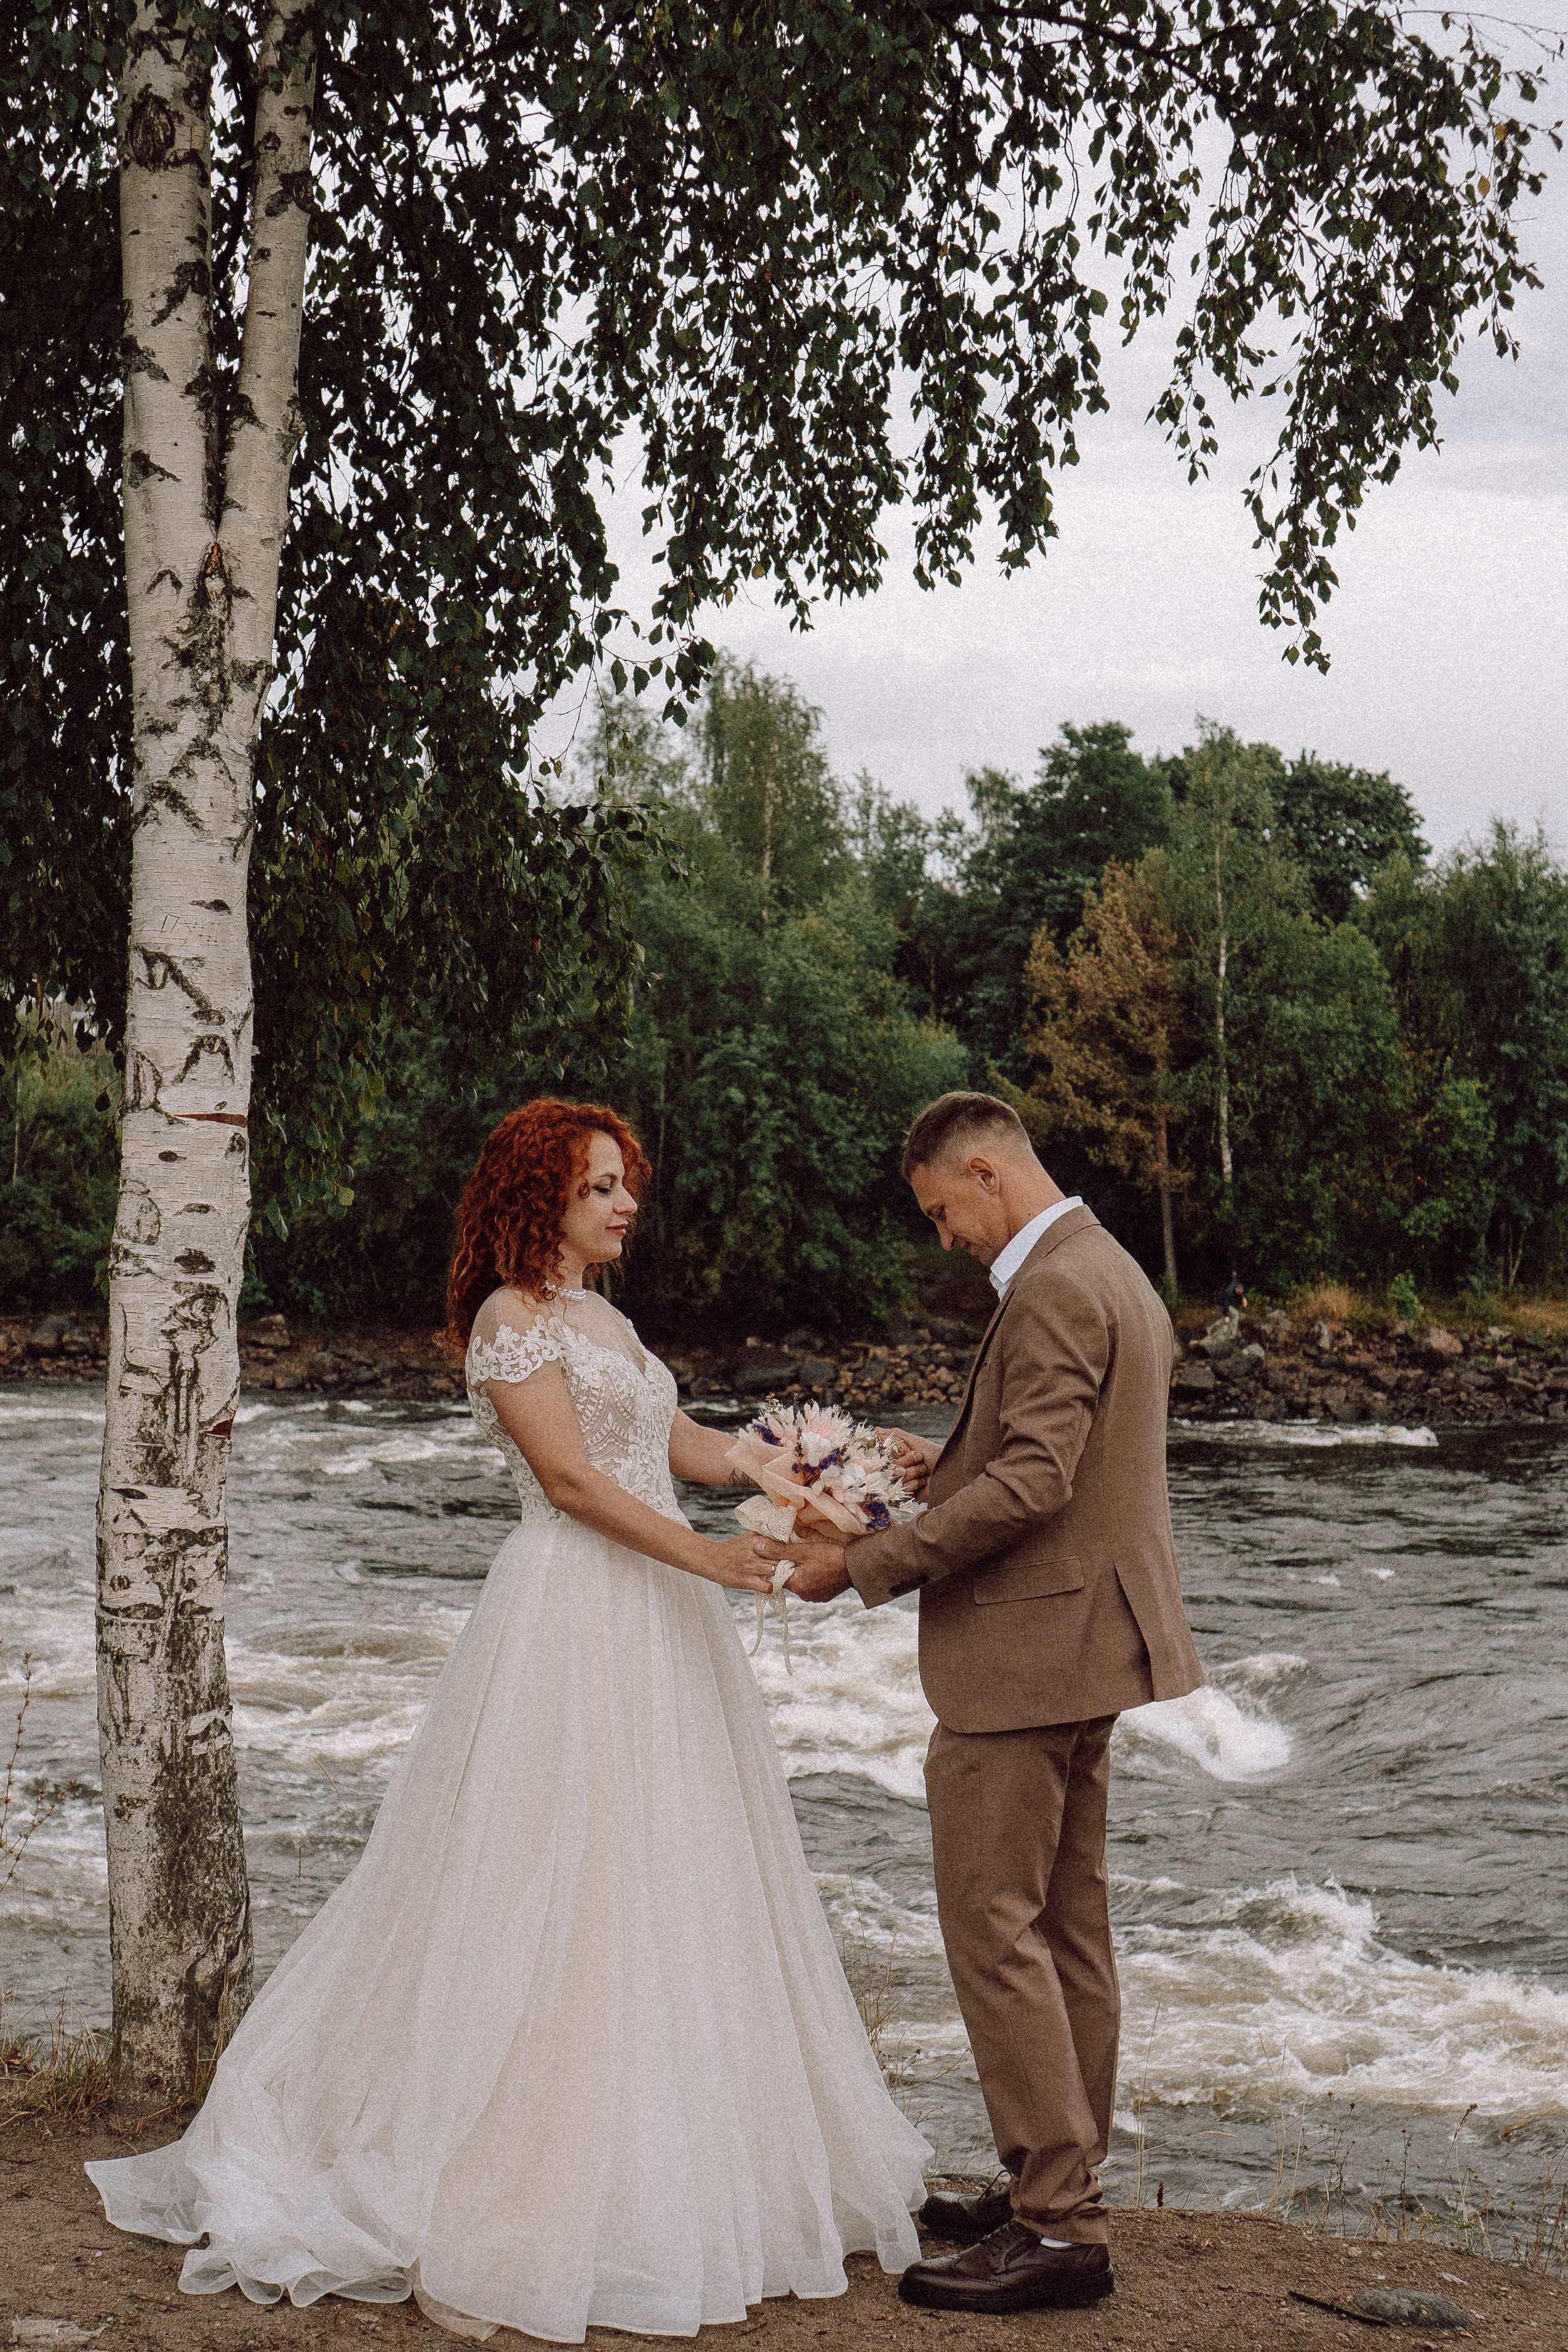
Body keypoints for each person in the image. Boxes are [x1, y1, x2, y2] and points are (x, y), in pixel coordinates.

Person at [88, 1098, 929, 2342]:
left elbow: (666, 1436)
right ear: (539, 1197)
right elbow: (575, 1481)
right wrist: (706, 1561)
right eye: (599, 1186)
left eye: (624, 1183)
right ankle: (513, 2161)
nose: (624, 1203)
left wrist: (785, 1464)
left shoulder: (604, 1317)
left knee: (672, 1865)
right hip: (574, 1608)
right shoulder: (509, 1318)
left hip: (660, 1622)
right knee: (548, 1865)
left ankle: (684, 2162)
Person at [757, 1090, 1203, 2317]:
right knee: (1066, 1926)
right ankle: (1050, 2182)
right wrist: (932, 1463)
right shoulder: (1104, 1264)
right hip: (1091, 1640)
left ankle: (1058, 2223)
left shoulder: (1053, 1282)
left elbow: (1039, 1479)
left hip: (1029, 1654)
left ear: (982, 1168)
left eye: (940, 1208)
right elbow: (1042, 1461)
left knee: (994, 1924)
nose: (942, 1233)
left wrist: (859, 1560)